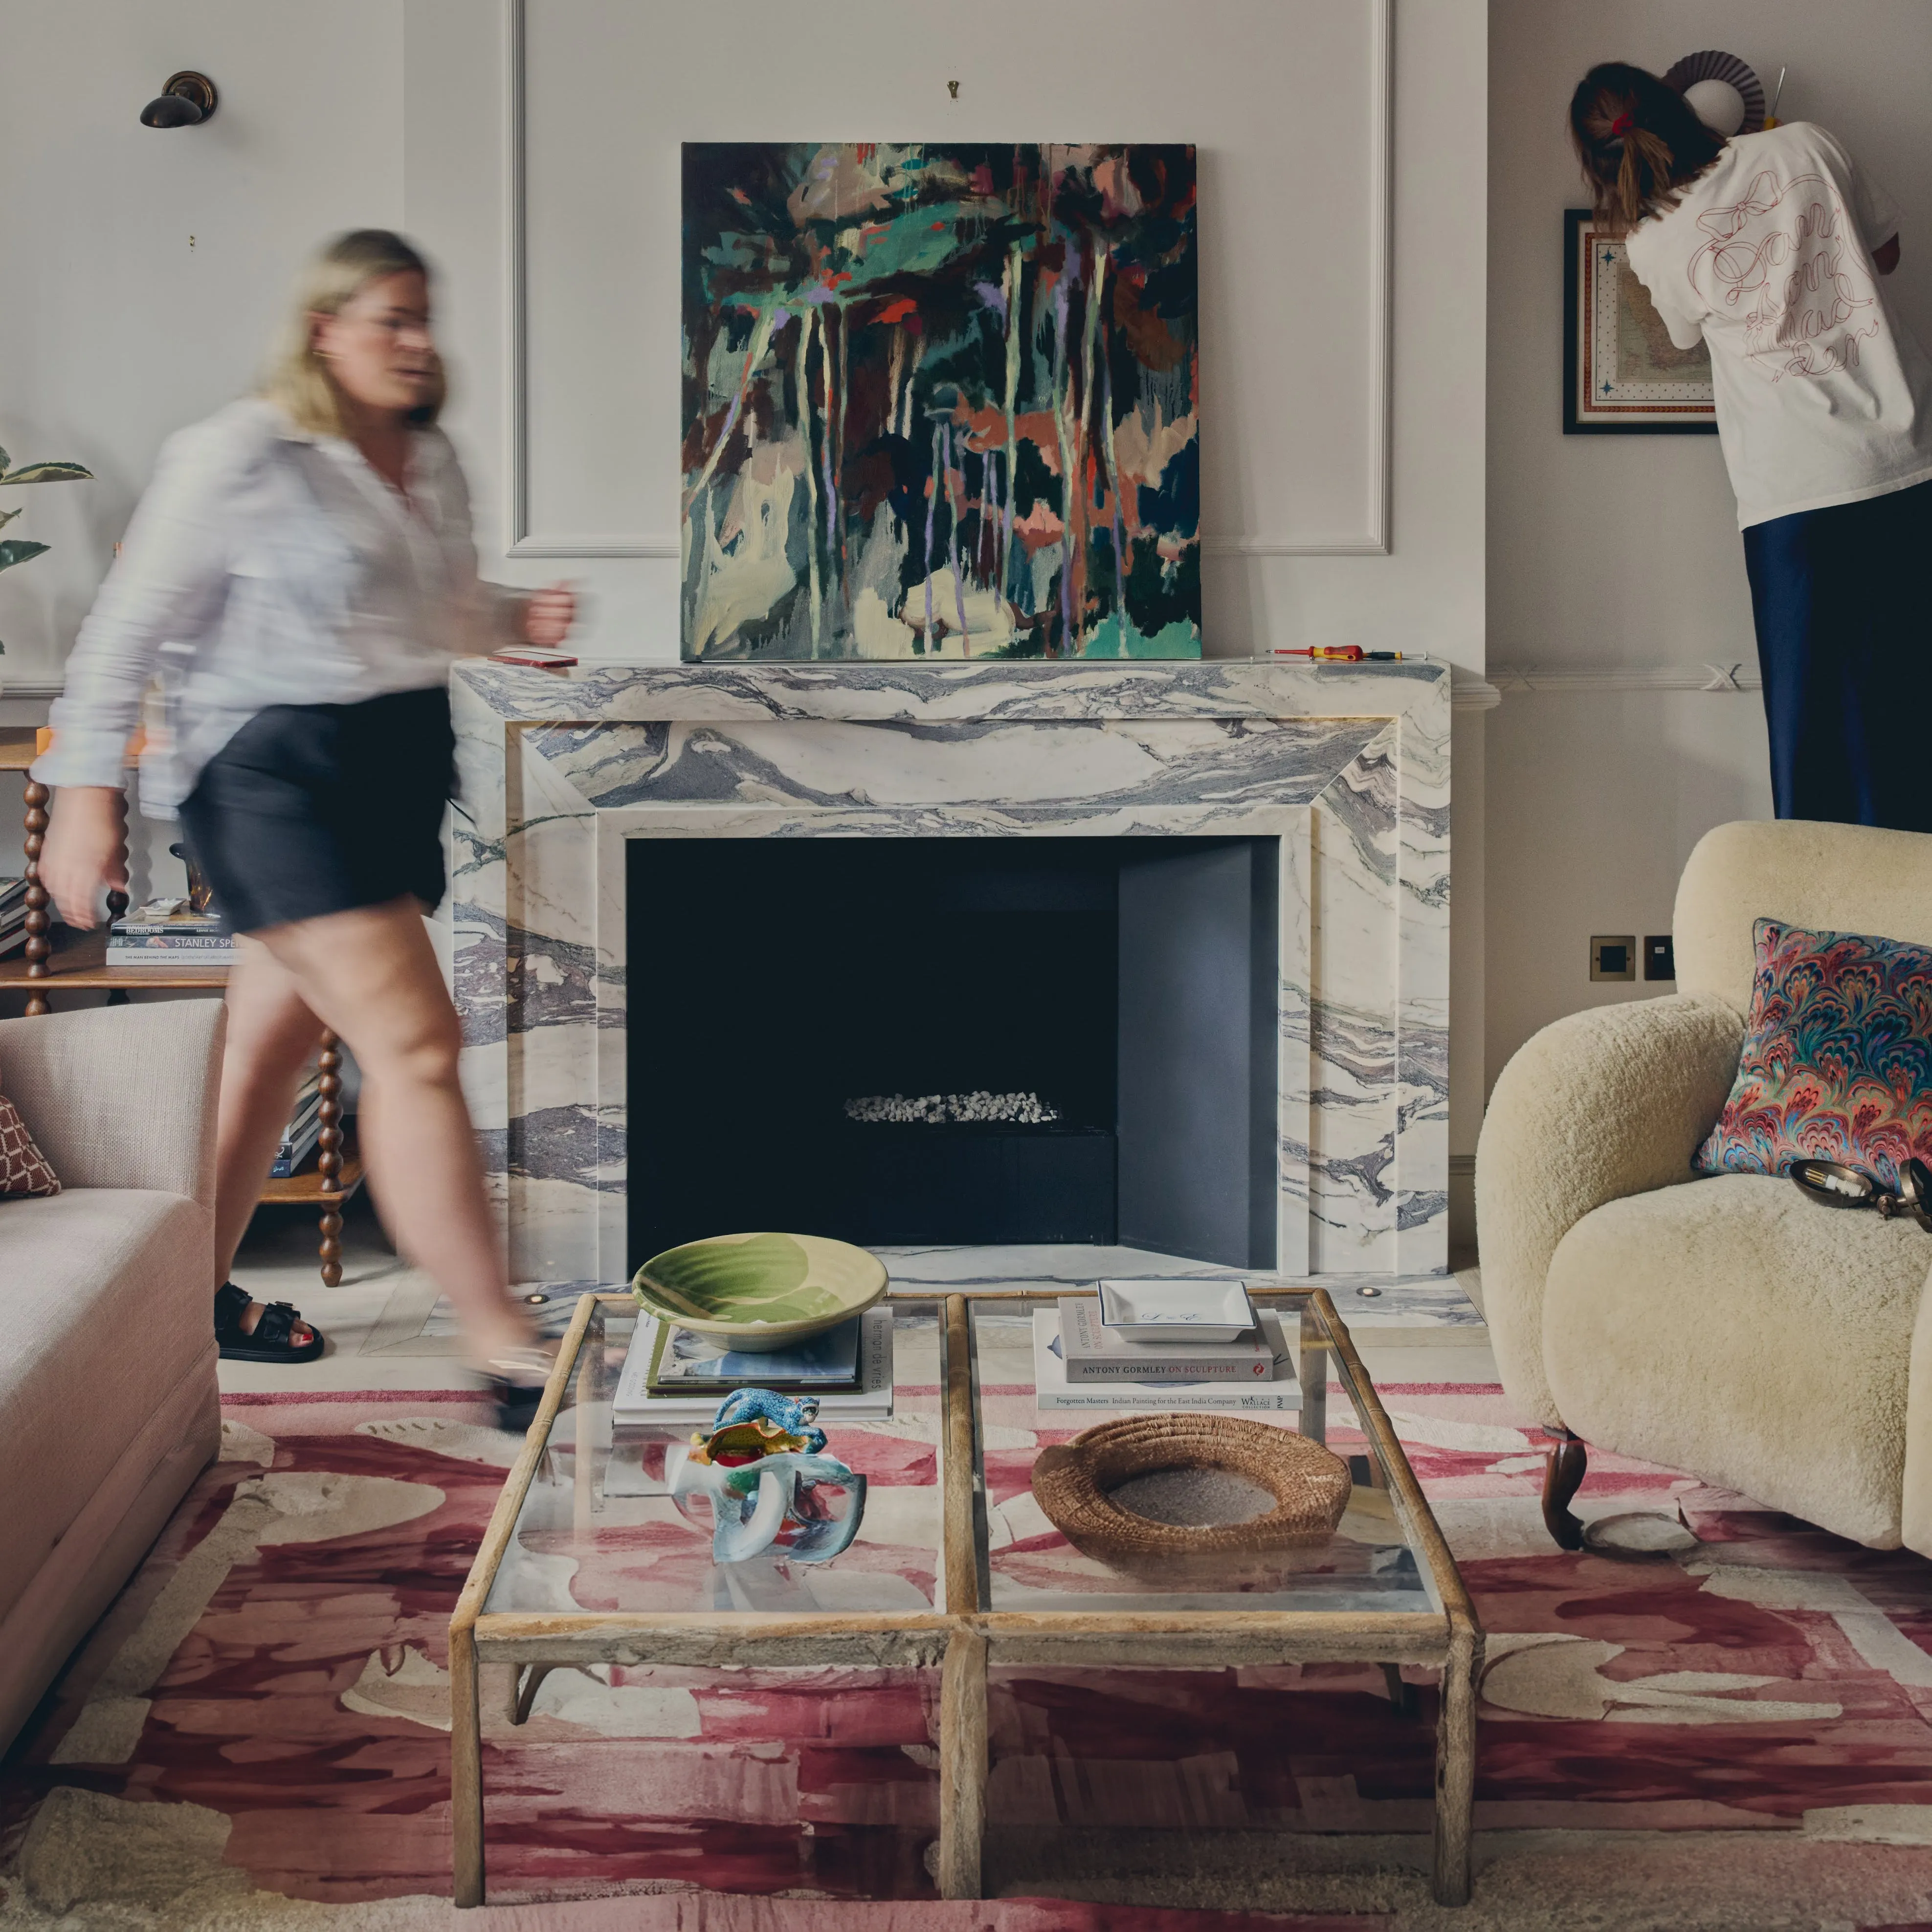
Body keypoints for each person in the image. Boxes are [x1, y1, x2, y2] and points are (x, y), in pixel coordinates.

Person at [35, 228, 575, 1419]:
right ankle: (498, 1340)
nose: (418, 341)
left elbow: (427, 612)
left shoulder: (429, 460)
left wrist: (508, 613)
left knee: (267, 1057)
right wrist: (84, 800)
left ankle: (181, 1300)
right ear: (324, 328)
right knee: (418, 1048)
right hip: (273, 779)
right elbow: (124, 629)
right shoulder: (239, 453)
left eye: (425, 317)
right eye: (390, 318)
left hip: (387, 772)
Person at [1571, 64, 1932, 831]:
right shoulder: (1805, 145)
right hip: (1911, 461)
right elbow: (1888, 253)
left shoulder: (1653, 242)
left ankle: (1833, 939)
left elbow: (1681, 336)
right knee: (1915, 707)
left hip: (1793, 496)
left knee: (1814, 741)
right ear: (1677, 103)